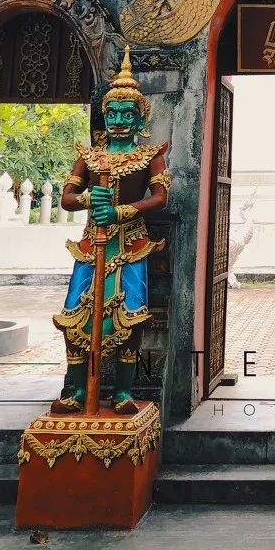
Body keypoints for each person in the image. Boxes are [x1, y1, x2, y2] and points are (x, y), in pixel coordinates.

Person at [50, 48, 169, 415]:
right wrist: (88, 199)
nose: (118, 120)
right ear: (104, 116)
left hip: (131, 242)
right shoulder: (89, 156)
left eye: (126, 114)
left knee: (131, 315)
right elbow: (66, 198)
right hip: (91, 243)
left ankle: (121, 391)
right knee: (76, 312)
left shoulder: (150, 156)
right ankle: (73, 389)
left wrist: (121, 210)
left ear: (139, 119)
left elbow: (161, 197)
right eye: (112, 113)